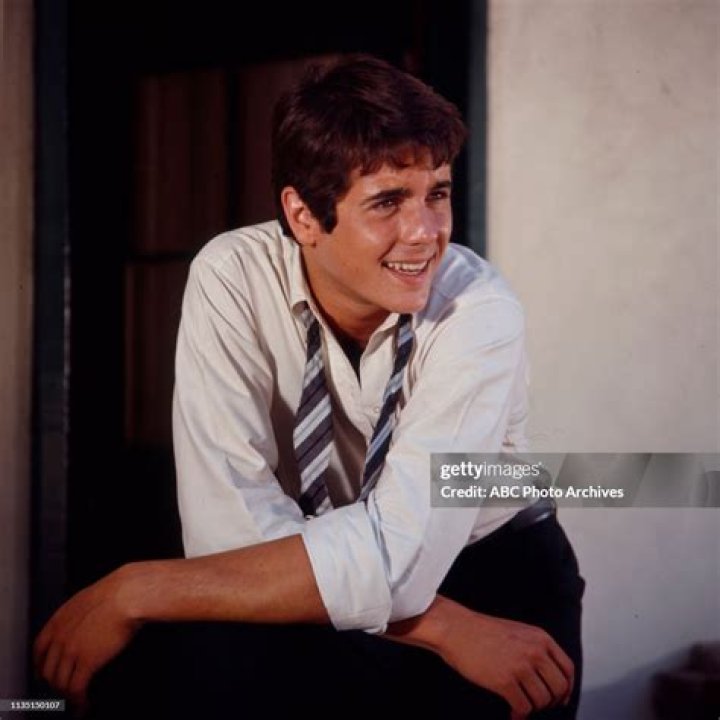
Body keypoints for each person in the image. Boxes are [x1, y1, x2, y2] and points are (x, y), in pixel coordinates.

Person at [34, 55, 584, 719]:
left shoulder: (479, 311)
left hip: (489, 572)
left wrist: (136, 588)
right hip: (323, 576)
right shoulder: (232, 277)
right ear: (302, 215)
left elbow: (406, 557)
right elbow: (228, 539)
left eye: (436, 193)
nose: (426, 233)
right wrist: (443, 628)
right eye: (388, 201)